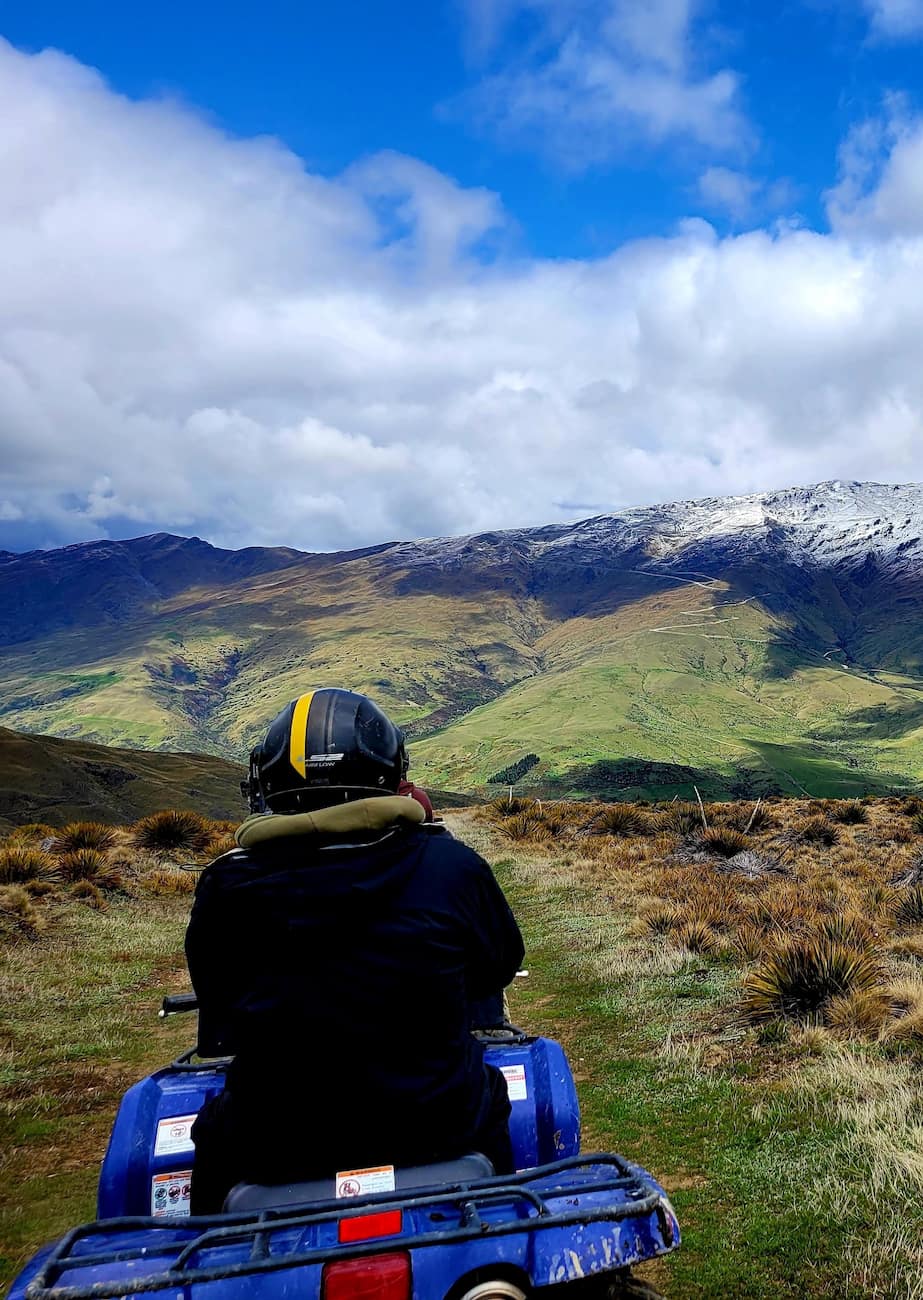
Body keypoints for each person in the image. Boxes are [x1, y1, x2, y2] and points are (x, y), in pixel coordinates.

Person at [186, 686, 524, 1213]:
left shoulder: (226, 886)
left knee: (212, 1141)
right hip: (440, 1131)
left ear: (268, 784)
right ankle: (503, 1230)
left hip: (272, 1149)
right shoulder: (451, 867)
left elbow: (221, 1009)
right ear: (393, 774)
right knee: (492, 1091)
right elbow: (496, 968)